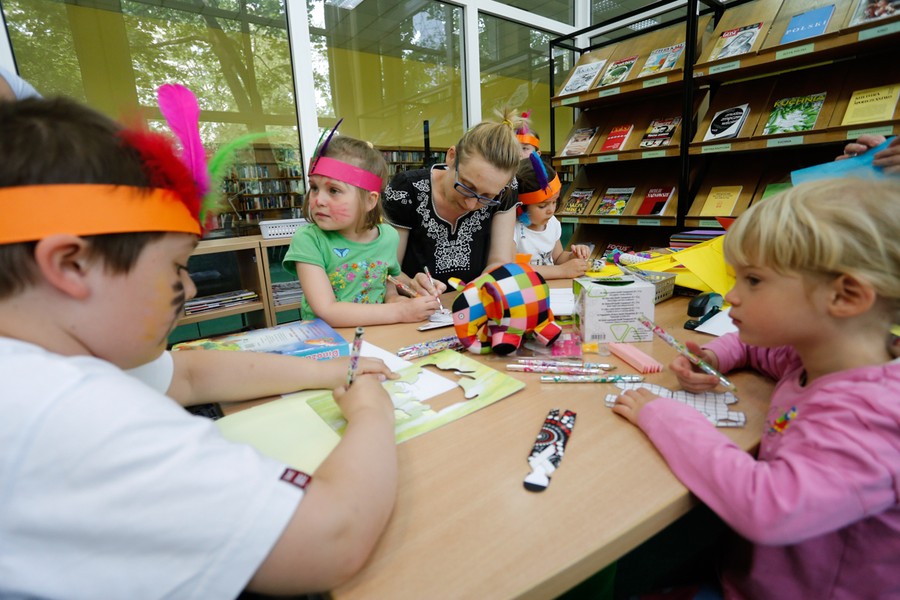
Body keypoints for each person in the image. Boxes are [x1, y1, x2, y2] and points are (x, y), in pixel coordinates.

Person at [0, 97, 400, 598]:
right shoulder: (66, 413)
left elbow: (190, 374)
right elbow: (332, 537)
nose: (188, 290)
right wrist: (371, 413)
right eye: (174, 268)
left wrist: (337, 370)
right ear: (71, 265)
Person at [612, 177, 900, 599]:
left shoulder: (871, 416)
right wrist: (714, 358)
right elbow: (763, 353)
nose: (730, 296)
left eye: (753, 281)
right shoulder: (820, 354)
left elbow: (769, 507)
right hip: (751, 572)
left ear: (845, 296)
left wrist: (665, 416)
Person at [283, 134, 439, 327]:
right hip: (328, 343)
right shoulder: (308, 240)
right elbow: (327, 310)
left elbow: (386, 283)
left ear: (369, 201)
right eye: (314, 187)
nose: (318, 200)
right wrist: (399, 311)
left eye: (333, 190)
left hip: (376, 335)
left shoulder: (388, 236)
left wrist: (405, 295)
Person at [382, 107, 524, 295]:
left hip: (475, 308)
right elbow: (388, 271)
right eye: (466, 186)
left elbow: (500, 261)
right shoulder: (407, 189)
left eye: (487, 197)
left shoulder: (506, 189)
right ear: (451, 156)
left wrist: (482, 288)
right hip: (415, 310)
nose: (471, 204)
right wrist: (412, 285)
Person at [513, 157, 590, 280]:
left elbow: (558, 257)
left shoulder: (552, 223)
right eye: (542, 206)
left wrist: (573, 256)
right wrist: (561, 271)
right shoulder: (513, 229)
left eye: (554, 202)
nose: (551, 210)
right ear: (521, 206)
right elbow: (515, 269)